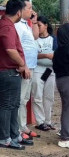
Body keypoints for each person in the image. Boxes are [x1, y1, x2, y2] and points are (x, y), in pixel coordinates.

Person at [0, 0, 33, 150]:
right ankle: (4, 138)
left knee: (14, 105)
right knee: (7, 106)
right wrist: (22, 64)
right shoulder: (6, 26)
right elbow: (10, 50)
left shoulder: (9, 25)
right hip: (7, 71)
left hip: (12, 72)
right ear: (19, 12)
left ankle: (14, 135)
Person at [15, 0, 39, 138]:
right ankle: (18, 128)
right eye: (29, 8)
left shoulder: (26, 25)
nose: (32, 11)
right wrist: (23, 65)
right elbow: (16, 47)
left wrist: (34, 22)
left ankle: (23, 126)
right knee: (20, 99)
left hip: (31, 66)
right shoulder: (17, 25)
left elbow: (35, 37)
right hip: (24, 67)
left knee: (25, 99)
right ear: (21, 10)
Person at [31, 16, 57, 131]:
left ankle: (48, 120)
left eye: (39, 25)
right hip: (38, 68)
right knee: (37, 95)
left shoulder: (53, 39)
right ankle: (40, 121)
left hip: (50, 70)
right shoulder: (34, 39)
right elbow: (31, 54)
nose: (37, 28)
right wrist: (46, 55)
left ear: (46, 26)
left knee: (49, 96)